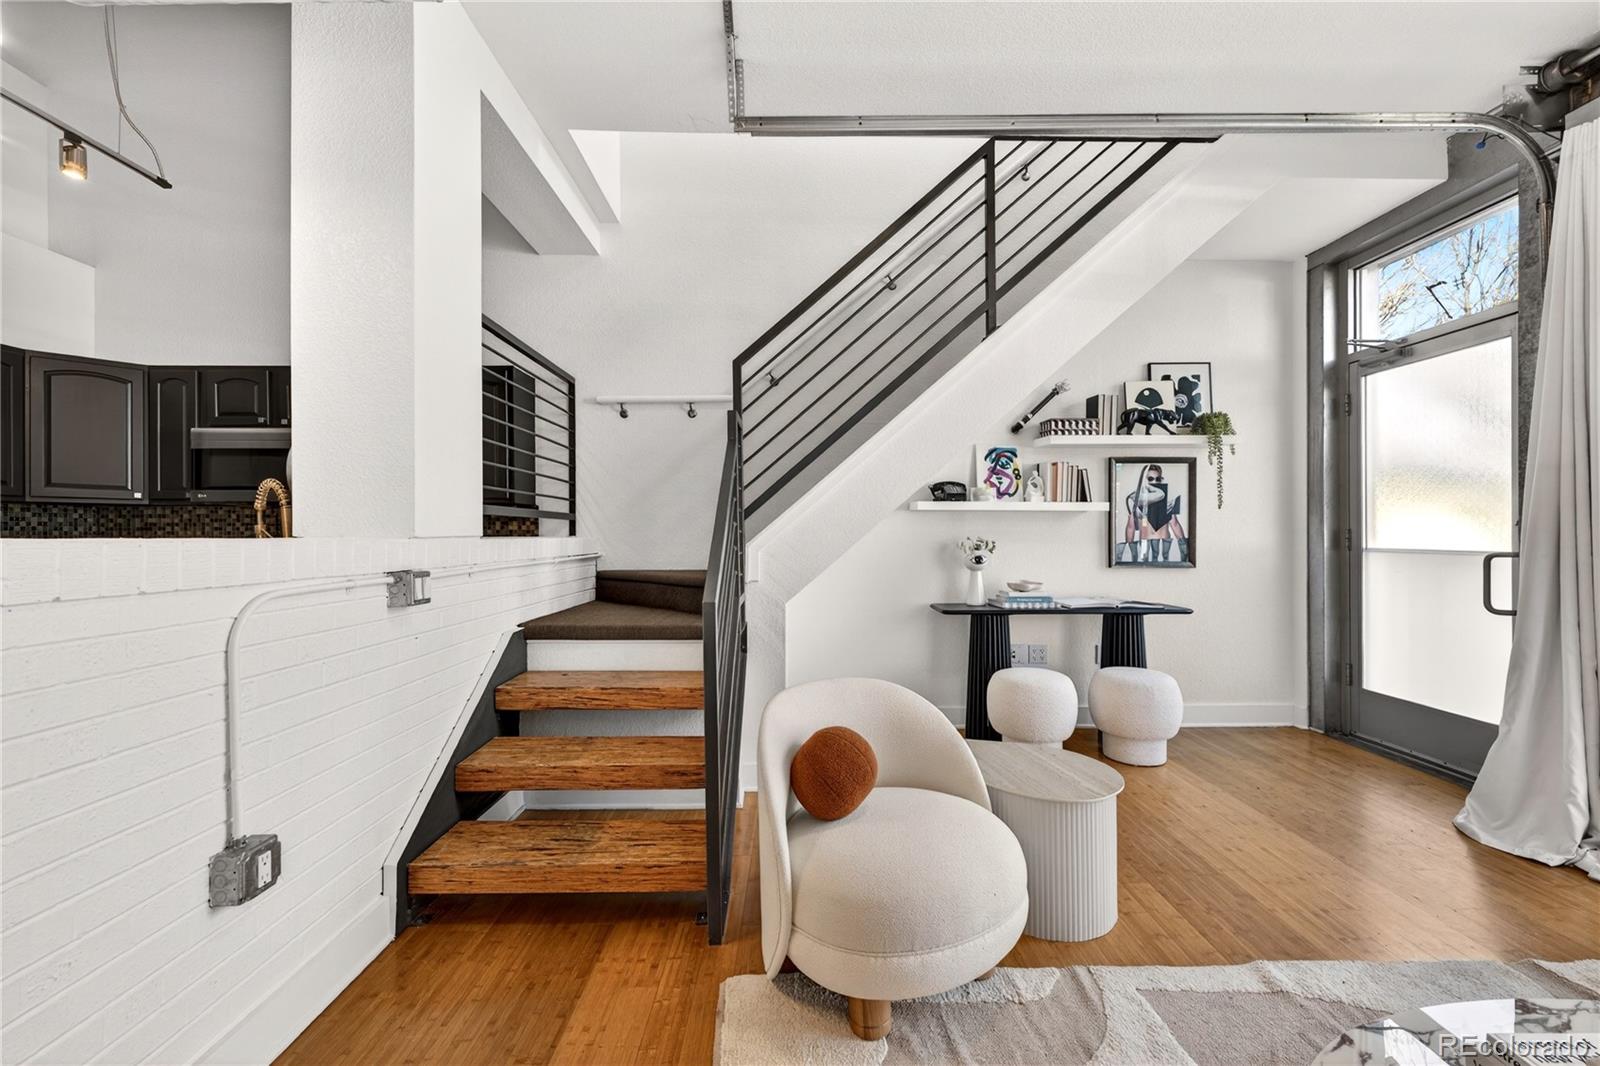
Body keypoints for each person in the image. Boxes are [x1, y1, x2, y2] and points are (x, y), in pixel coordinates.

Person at [1122, 463, 1187, 562]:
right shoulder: (1137, 500)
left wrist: (1183, 545)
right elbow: (1131, 526)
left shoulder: (1166, 499)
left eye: (1158, 479)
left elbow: (1174, 524)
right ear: (1145, 480)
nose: (1155, 481)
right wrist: (1129, 548)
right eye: (1150, 479)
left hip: (1164, 544)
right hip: (1145, 544)